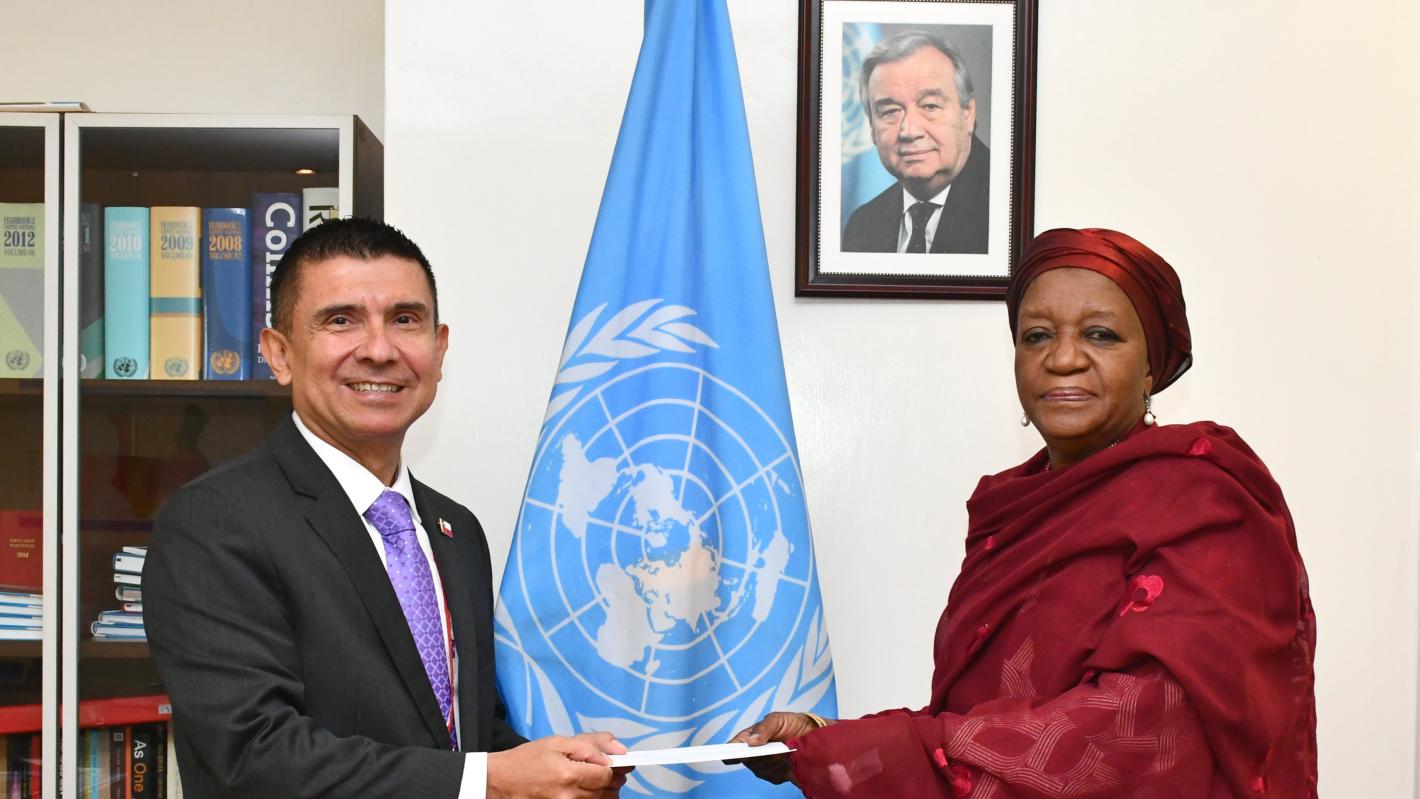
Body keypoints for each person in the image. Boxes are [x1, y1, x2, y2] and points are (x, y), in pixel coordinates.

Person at [732, 228, 1318, 797]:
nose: (1063, 359)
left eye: (1101, 335)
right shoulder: (1009, 512)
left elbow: (1143, 734)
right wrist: (826, 742)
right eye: (1037, 336)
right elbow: (978, 717)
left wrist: (871, 749)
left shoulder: (1206, 504)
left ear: (1152, 367)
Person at [145, 218, 627, 798]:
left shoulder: (456, 531)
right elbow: (251, 755)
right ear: (279, 353)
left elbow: (454, 739)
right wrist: (491, 781)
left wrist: (556, 770)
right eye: (340, 320)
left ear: (439, 348)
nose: (378, 350)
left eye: (405, 320)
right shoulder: (216, 522)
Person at [841, 31, 990, 255]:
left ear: (967, 113)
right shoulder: (862, 225)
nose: (909, 131)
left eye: (930, 106)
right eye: (890, 111)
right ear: (872, 127)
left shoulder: (1008, 207)